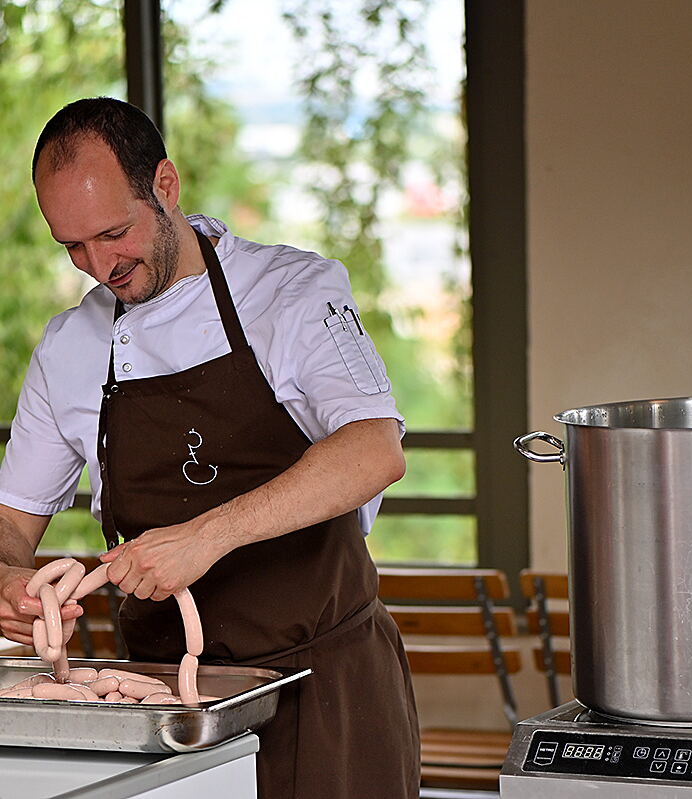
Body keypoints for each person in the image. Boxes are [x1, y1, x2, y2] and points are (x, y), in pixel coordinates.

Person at [0, 97, 420, 797]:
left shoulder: (291, 292)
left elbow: (374, 449)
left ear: (165, 185)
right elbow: (12, 522)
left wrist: (205, 536)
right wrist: (6, 579)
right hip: (168, 711)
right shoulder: (69, 347)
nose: (99, 265)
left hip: (327, 691)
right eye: (72, 246)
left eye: (114, 233)